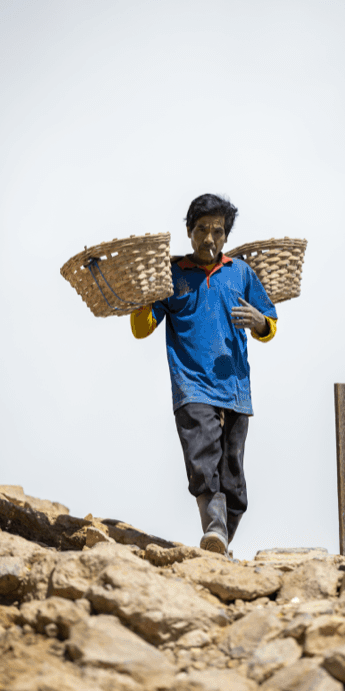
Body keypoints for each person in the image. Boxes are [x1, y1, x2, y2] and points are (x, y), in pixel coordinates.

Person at [129, 193, 279, 556]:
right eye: (201, 230)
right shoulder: (173, 275)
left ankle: (220, 541)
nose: (209, 238)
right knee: (202, 461)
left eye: (217, 231)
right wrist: (143, 295)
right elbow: (141, 328)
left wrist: (259, 322)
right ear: (188, 231)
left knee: (233, 479)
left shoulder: (240, 273)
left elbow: (270, 323)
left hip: (235, 387)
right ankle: (213, 527)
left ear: (226, 235)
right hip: (192, 385)